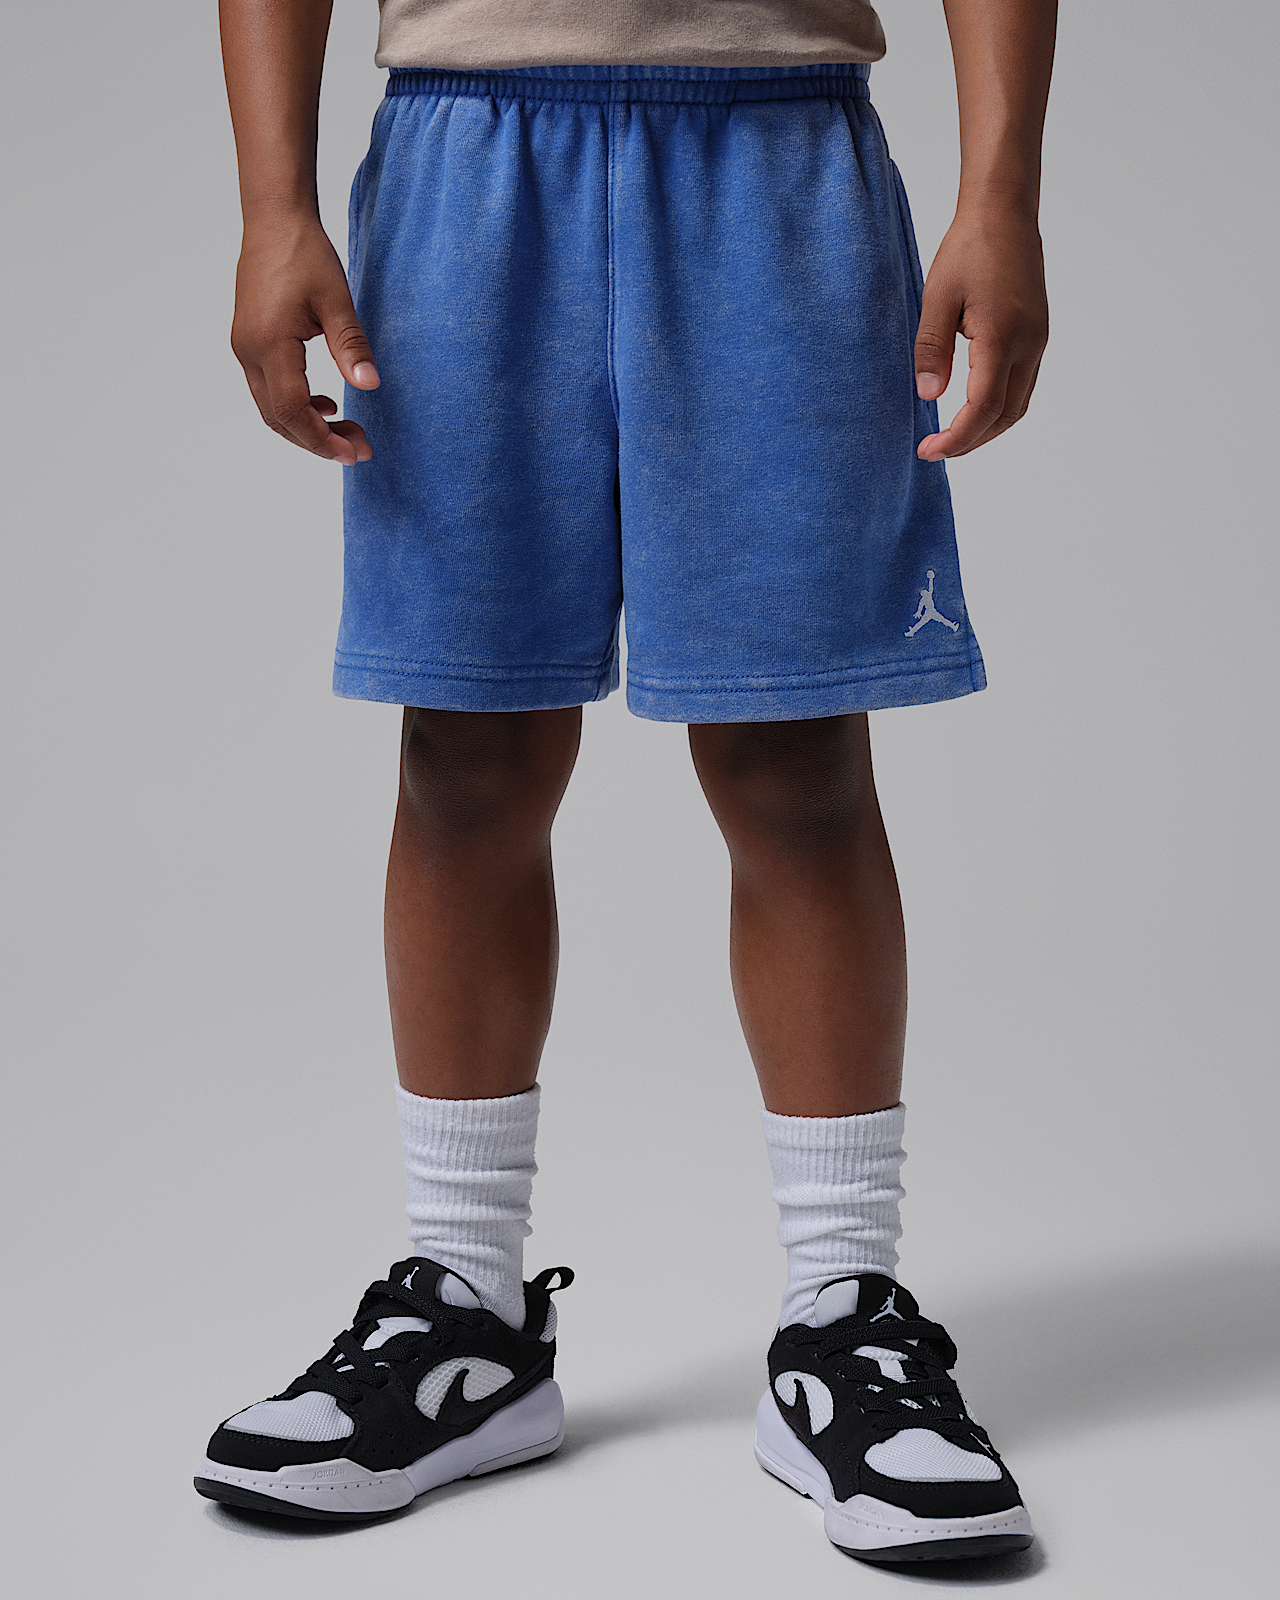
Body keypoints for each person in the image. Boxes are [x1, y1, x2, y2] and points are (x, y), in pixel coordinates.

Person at [196, 0, 1054, 1563]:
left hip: (775, 153)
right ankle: (467, 1316)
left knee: (796, 752)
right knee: (465, 745)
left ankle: (844, 1314)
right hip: (466, 155)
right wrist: (273, 205)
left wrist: (1001, 191)